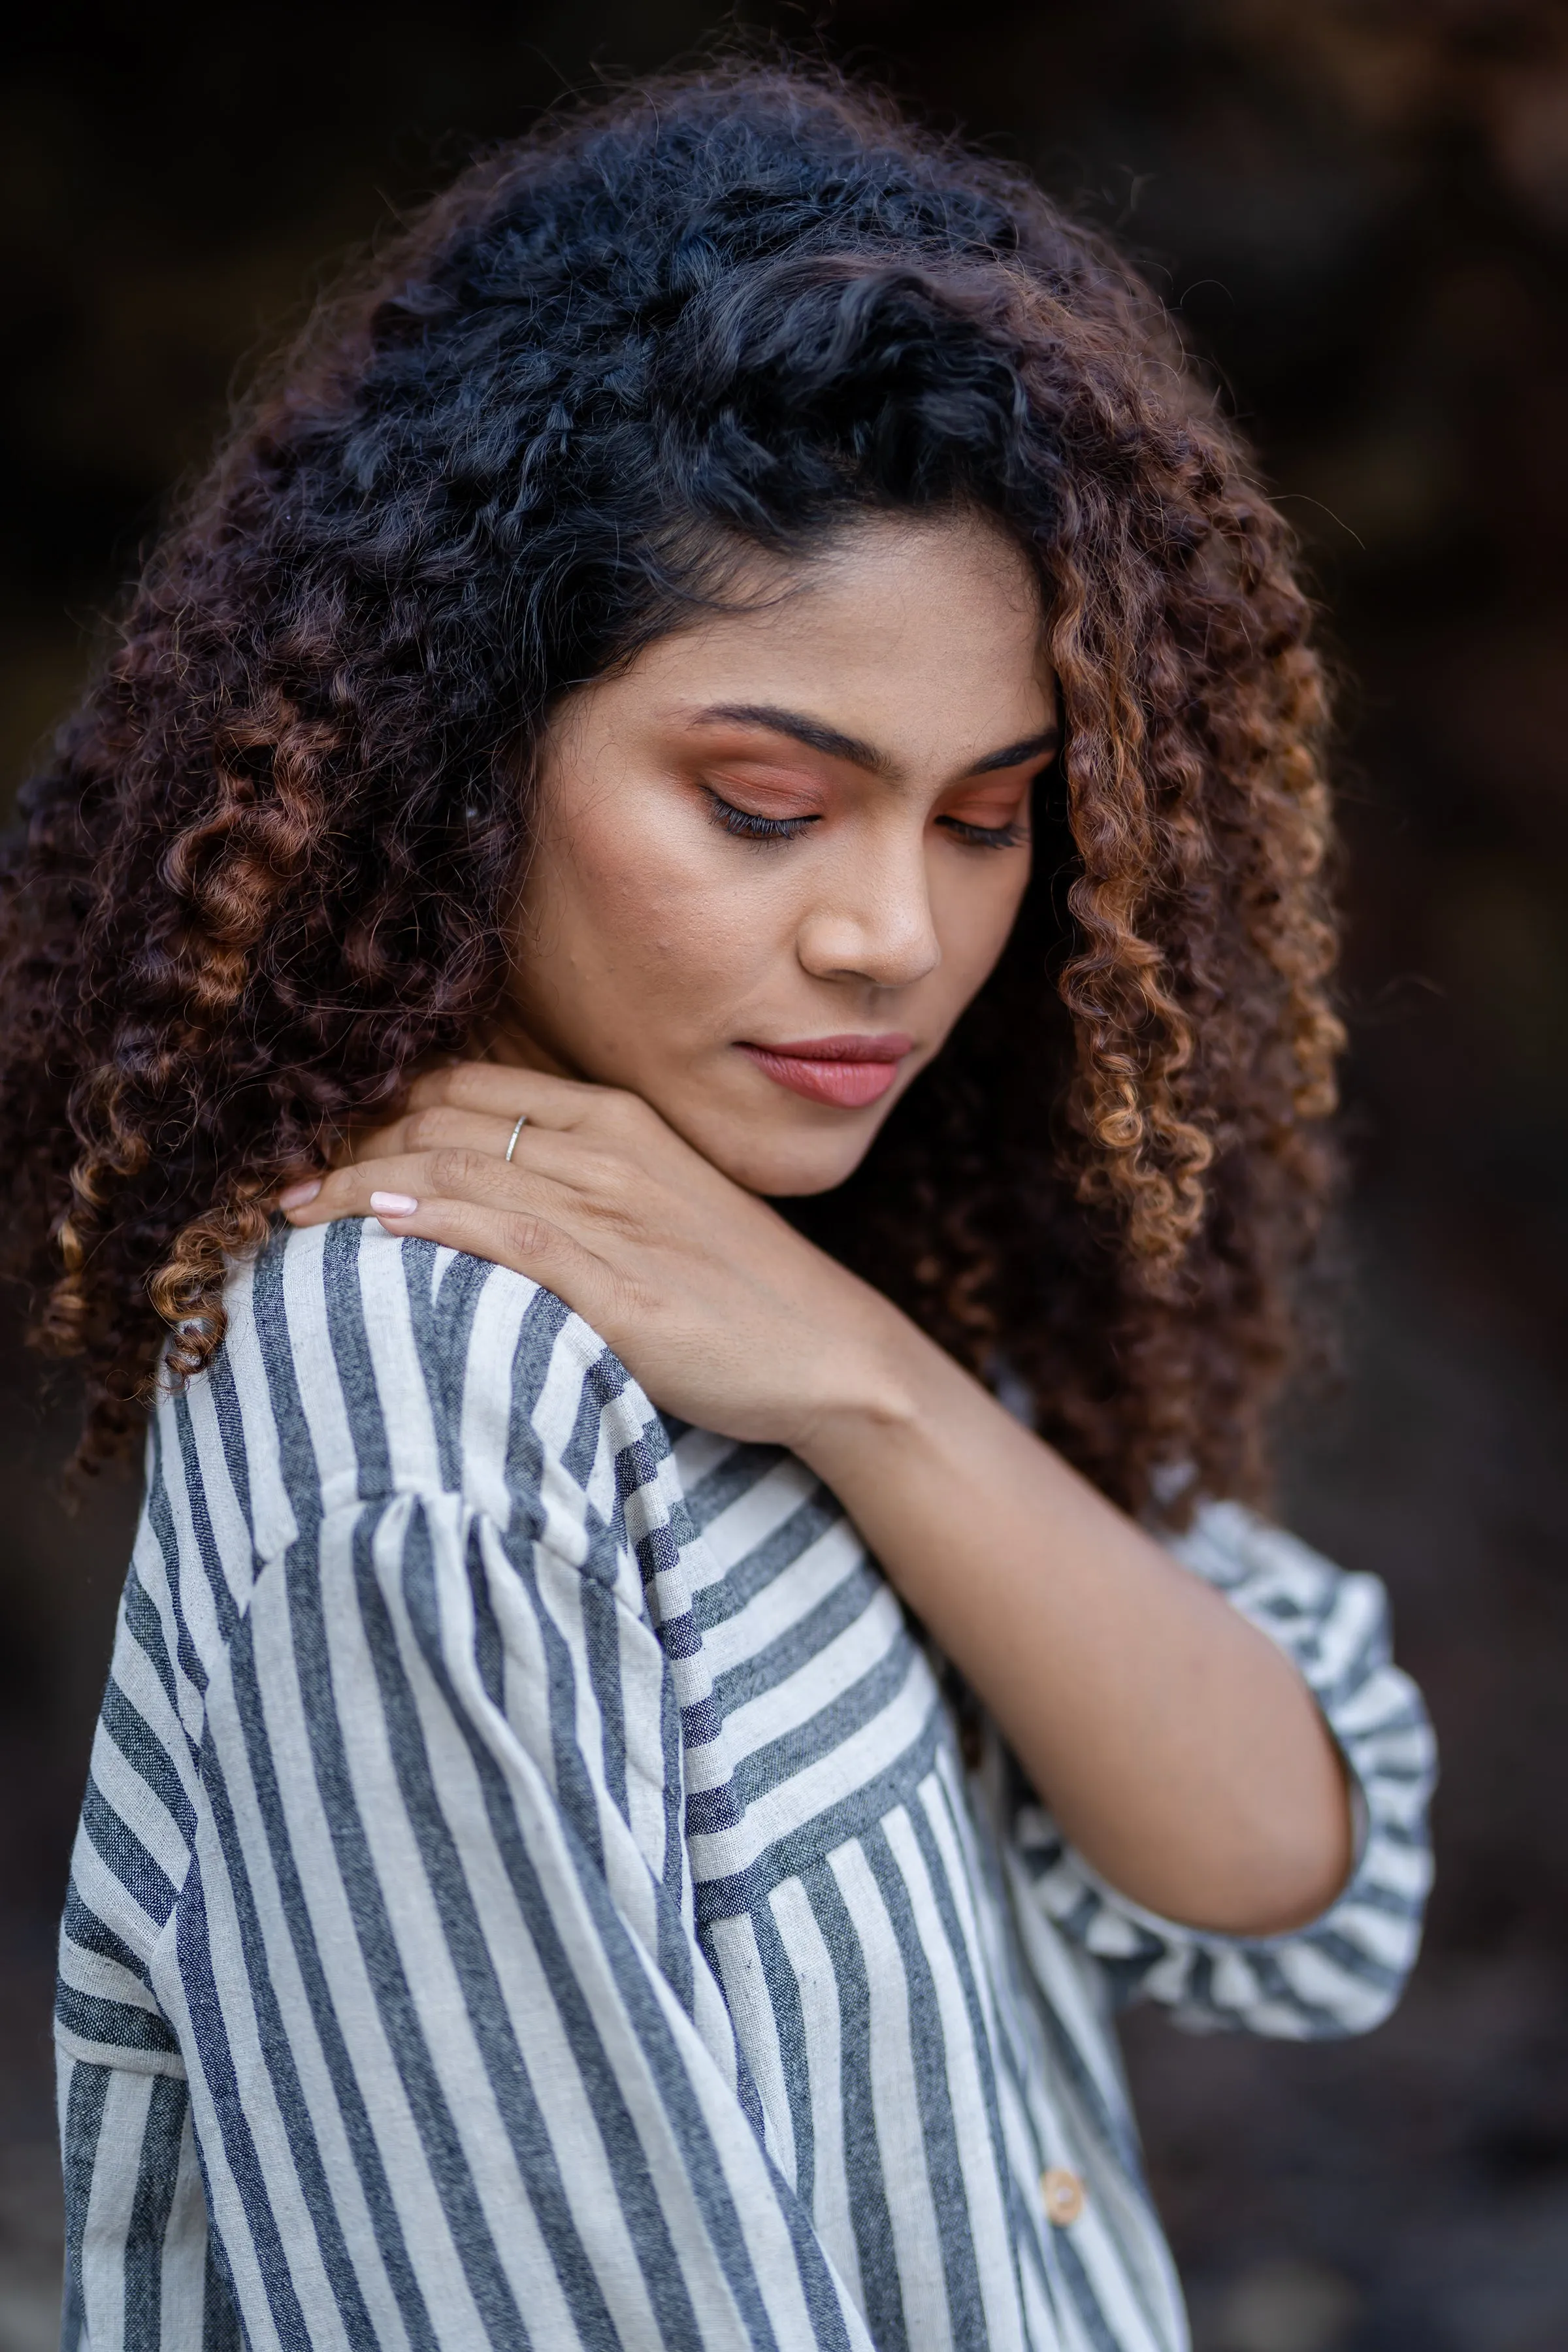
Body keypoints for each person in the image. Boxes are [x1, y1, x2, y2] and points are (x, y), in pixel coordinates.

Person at [5, 65, 1435, 2352]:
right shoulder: (414, 1408)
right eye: (767, 802)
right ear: (461, 749)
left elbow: (1290, 1869)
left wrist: (872, 1388)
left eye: (990, 818)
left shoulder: (787, 1259)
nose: (897, 934)